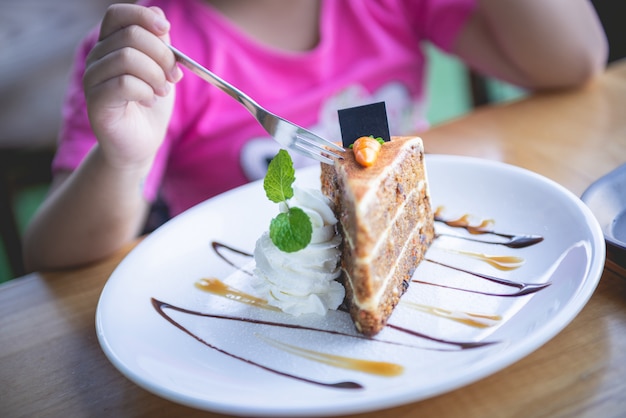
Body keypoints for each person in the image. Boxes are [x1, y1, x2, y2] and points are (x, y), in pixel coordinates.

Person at [23, 0, 607, 271]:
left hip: (410, 260)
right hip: (261, 302)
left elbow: (574, 61)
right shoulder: (158, 52)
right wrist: (123, 159)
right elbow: (51, 253)